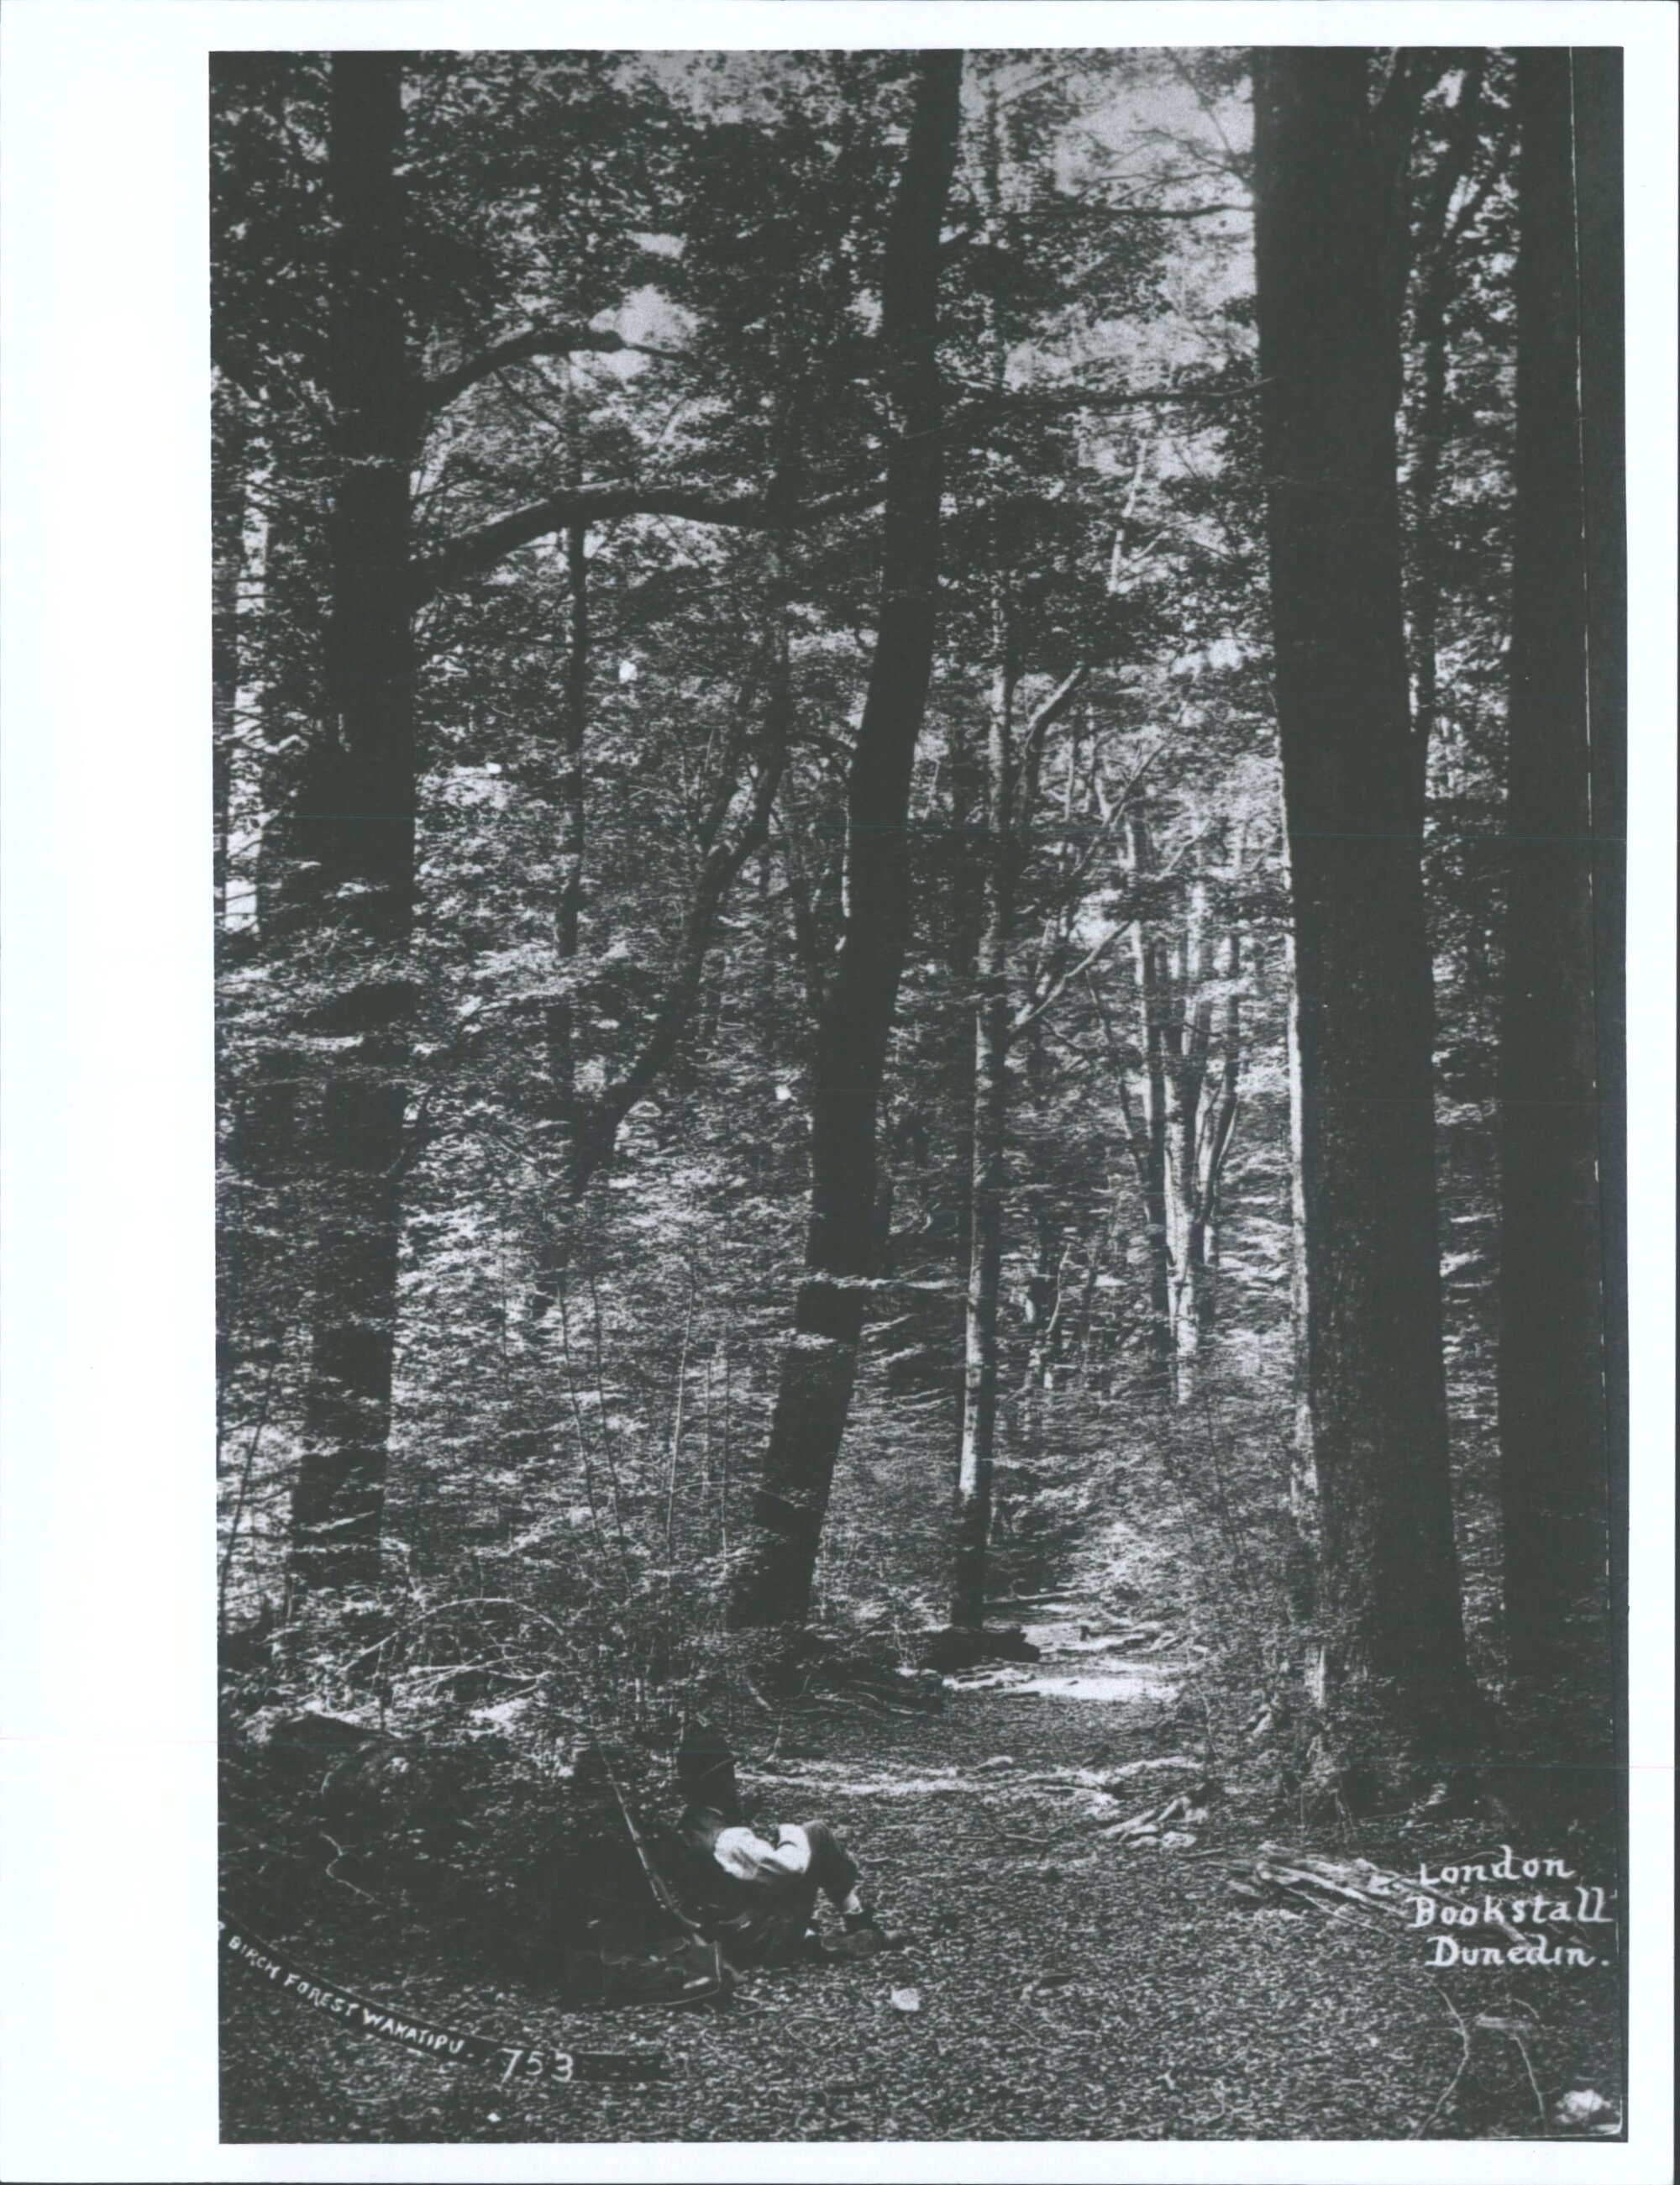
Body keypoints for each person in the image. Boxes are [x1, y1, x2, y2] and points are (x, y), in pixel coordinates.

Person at [668, 1721, 887, 1968]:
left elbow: (725, 1876)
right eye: (730, 1776)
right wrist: (789, 1833)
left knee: (771, 1866)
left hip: (722, 1932)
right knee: (816, 1832)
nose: (734, 1784)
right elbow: (790, 1867)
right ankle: (858, 1919)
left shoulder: (686, 1827)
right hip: (758, 1941)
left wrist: (741, 1817)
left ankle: (812, 1940)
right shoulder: (728, 1839)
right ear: (720, 1782)